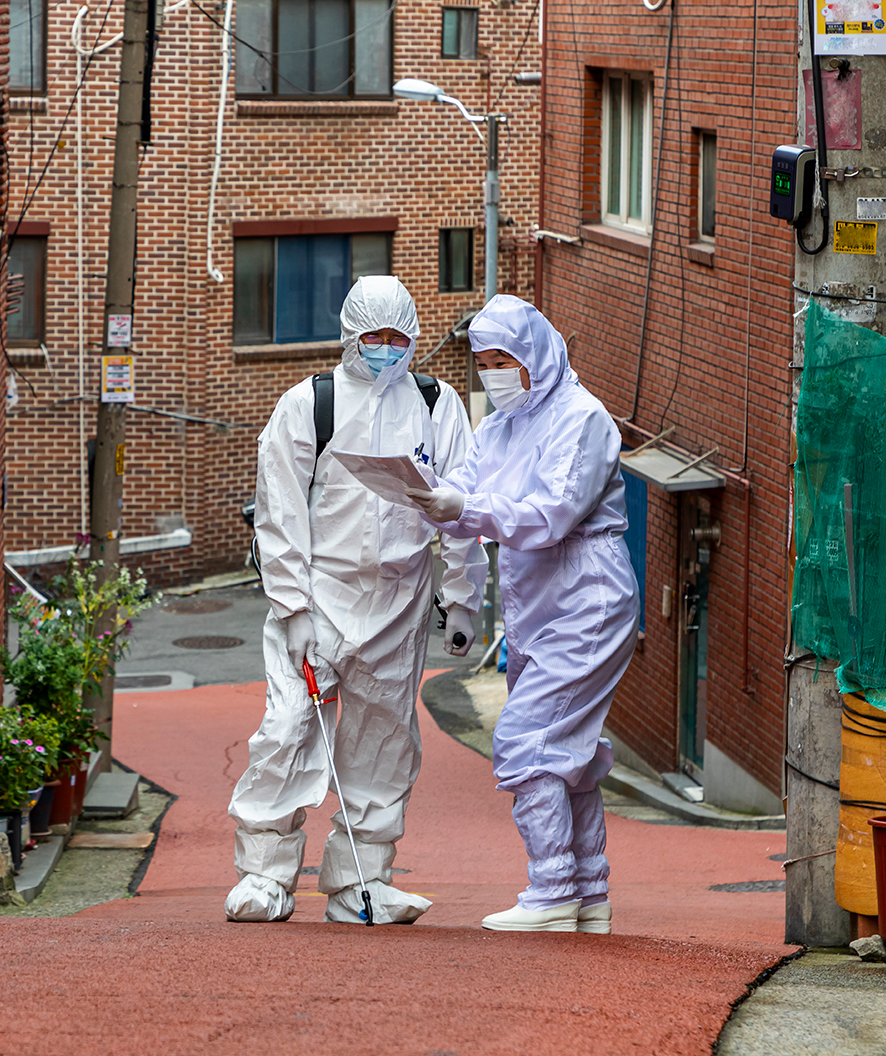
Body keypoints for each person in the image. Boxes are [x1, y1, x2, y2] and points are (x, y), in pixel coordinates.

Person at [226, 275, 488, 924]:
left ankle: (360, 881)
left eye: (399, 338)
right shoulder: (308, 406)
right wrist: (290, 610)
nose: (386, 350)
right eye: (374, 337)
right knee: (287, 729)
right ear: (350, 335)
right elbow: (280, 513)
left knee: (382, 742)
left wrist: (462, 599)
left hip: (399, 603)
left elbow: (462, 505)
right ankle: (264, 874)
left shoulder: (437, 406)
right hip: (320, 595)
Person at [407, 293, 639, 934]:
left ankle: (552, 892)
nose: (493, 373)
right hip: (536, 606)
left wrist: (463, 508)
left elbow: (551, 514)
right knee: (571, 749)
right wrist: (441, 496)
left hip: (586, 599)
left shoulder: (582, 419)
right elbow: (469, 485)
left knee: (525, 739)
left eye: (503, 359)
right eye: (482, 362)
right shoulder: (500, 425)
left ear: (535, 351)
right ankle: (588, 890)